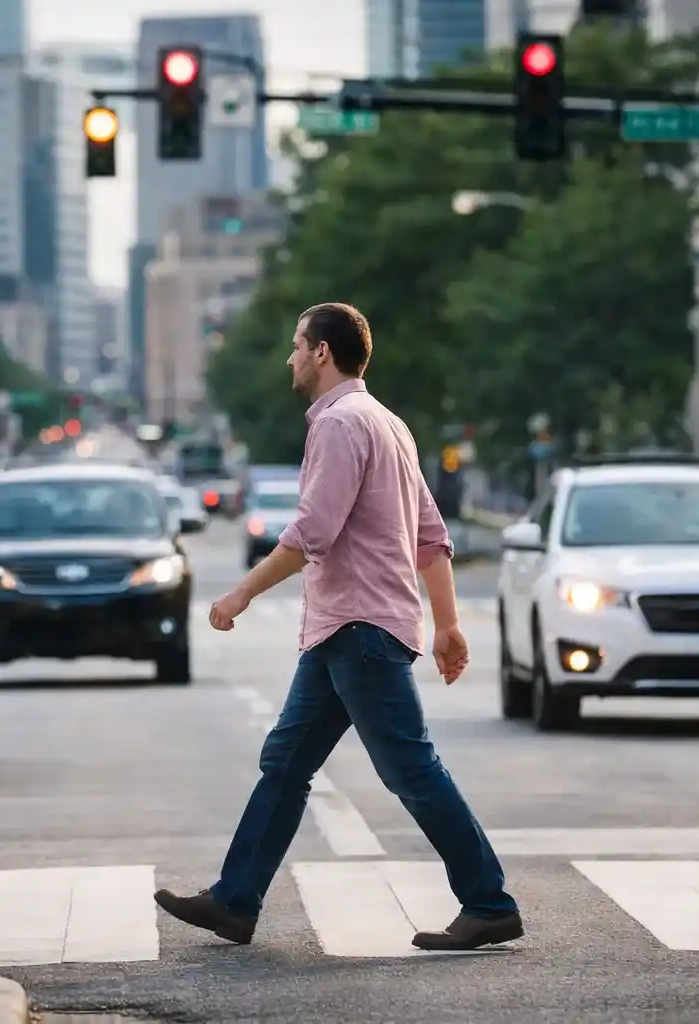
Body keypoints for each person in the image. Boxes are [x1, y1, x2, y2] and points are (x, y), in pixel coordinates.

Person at [153, 302, 523, 951]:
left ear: (323, 352)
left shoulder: (342, 424)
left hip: (360, 629)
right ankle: (236, 901)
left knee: (410, 767)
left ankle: (489, 902)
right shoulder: (388, 424)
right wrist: (447, 626)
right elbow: (432, 538)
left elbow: (313, 533)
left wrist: (239, 593)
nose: (290, 357)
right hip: (343, 631)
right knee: (286, 762)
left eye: (297, 345)